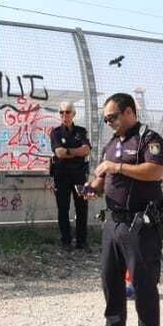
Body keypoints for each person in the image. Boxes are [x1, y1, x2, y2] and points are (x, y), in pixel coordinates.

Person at [85, 93, 163, 326]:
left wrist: (118, 167)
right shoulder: (111, 143)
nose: (109, 121)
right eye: (106, 118)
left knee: (143, 281)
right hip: (113, 221)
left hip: (140, 223)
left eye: (113, 116)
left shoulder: (148, 139)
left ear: (130, 112)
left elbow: (155, 171)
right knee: (110, 277)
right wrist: (93, 188)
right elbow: (103, 176)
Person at [47, 102, 91, 249]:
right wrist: (76, 151)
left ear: (74, 114)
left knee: (82, 208)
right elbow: (58, 152)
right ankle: (66, 241)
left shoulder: (81, 131)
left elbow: (86, 150)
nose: (64, 115)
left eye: (67, 112)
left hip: (80, 176)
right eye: (61, 112)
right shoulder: (55, 132)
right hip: (62, 176)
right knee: (63, 208)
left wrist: (68, 152)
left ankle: (81, 241)